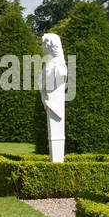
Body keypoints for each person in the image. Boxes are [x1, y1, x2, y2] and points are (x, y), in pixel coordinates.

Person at [40, 33, 67, 163]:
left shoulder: (59, 65)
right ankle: (55, 164)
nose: (41, 46)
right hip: (50, 104)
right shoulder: (50, 63)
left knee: (57, 136)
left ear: (50, 46)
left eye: (43, 44)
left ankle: (57, 164)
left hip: (55, 105)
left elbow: (55, 79)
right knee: (53, 136)